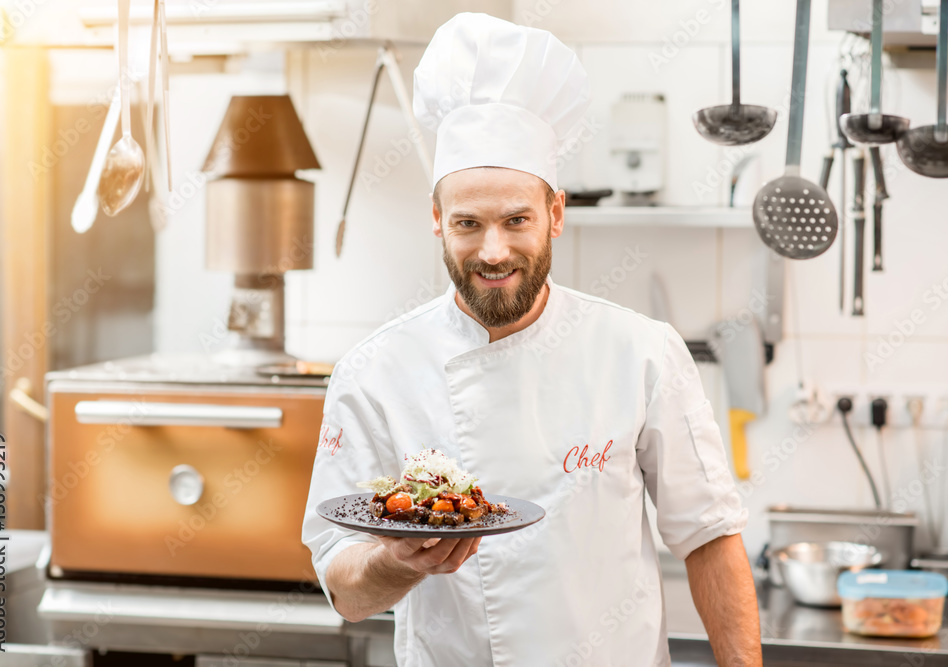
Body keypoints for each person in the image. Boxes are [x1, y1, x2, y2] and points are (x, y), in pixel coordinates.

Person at [302, 12, 762, 667]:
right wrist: (396, 559)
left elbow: (710, 537)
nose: (494, 251)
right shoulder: (375, 372)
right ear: (436, 220)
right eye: (468, 223)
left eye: (517, 219)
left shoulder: (642, 353)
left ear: (555, 214)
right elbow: (344, 587)